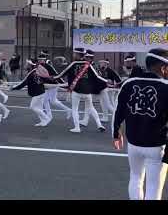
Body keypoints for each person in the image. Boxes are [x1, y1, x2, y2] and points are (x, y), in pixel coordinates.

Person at [112, 48, 168, 200]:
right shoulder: (165, 87)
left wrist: (116, 133)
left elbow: (118, 110)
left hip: (134, 143)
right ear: (162, 67)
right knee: (153, 186)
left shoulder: (129, 83)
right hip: (157, 145)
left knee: (135, 178)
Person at [52, 48, 108, 133]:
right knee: (91, 108)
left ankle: (77, 128)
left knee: (75, 109)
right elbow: (97, 76)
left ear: (78, 55)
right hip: (87, 91)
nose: (73, 55)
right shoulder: (88, 64)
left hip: (77, 91)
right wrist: (108, 82)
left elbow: (62, 74)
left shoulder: (74, 64)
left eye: (75, 54)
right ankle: (99, 124)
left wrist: (51, 78)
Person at [80, 55, 122, 125]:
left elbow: (118, 80)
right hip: (98, 88)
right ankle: (104, 117)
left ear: (106, 64)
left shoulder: (96, 67)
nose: (101, 64)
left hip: (104, 89)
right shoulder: (96, 67)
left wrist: (114, 85)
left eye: (103, 63)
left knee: (107, 104)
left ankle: (119, 116)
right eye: (100, 62)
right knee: (99, 104)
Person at [11, 59, 52, 127]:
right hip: (41, 91)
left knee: (32, 107)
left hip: (38, 93)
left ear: (31, 65)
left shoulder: (32, 73)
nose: (26, 65)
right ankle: (43, 121)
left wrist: (13, 88)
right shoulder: (37, 71)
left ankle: (46, 118)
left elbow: (23, 83)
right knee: (39, 108)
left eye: (28, 64)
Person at [37, 51, 71, 121]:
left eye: (41, 59)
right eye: (39, 59)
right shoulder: (40, 65)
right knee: (53, 101)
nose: (39, 60)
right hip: (48, 85)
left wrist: (63, 84)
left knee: (45, 100)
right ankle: (68, 110)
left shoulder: (48, 65)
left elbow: (56, 75)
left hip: (52, 84)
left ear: (44, 58)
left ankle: (49, 116)